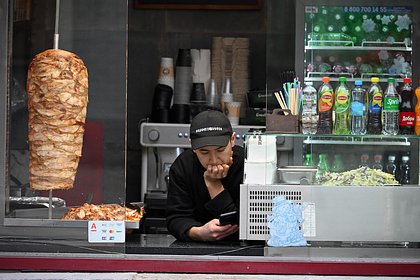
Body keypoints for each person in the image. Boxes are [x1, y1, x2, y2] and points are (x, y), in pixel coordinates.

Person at [166, 110, 244, 241]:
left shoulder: (247, 164)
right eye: (204, 152)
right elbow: (176, 218)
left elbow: (242, 223)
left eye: (220, 150)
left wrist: (214, 185)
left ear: (232, 140)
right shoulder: (183, 166)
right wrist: (198, 233)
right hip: (194, 251)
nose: (213, 159)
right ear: (192, 146)